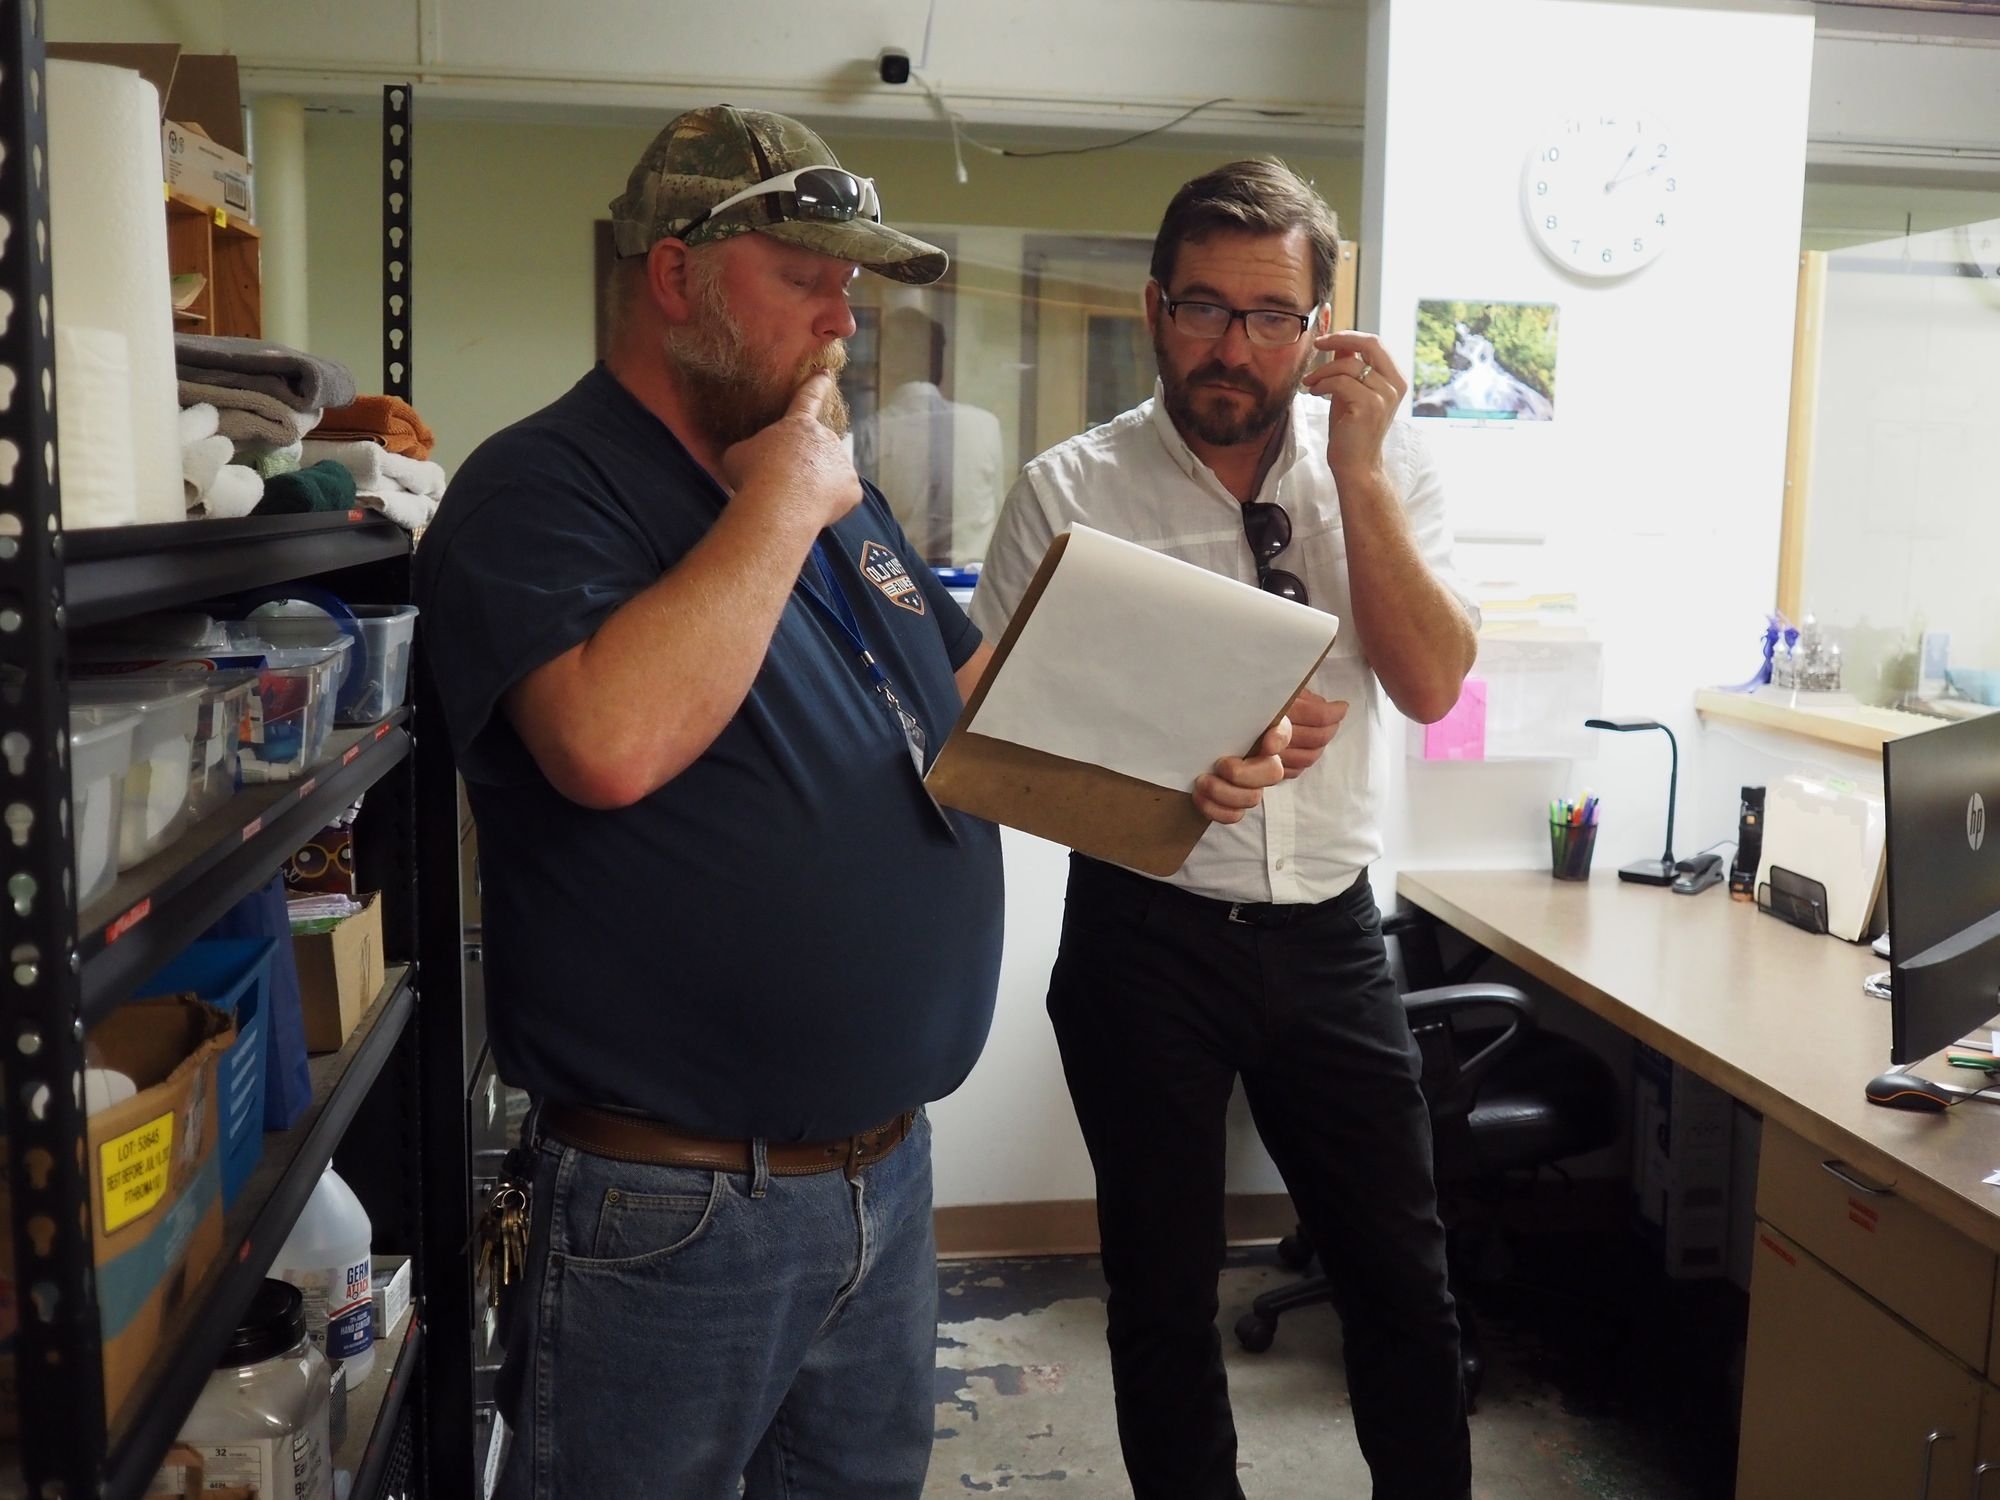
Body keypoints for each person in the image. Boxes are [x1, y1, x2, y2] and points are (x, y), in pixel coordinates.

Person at [415, 107, 1292, 1499]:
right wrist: (786, 503)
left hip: (878, 1182)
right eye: (807, 275)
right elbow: (610, 742)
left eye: (854, 284)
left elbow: (965, 698)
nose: (844, 319)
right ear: (677, 273)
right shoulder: (545, 486)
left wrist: (1184, 732)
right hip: (678, 1206)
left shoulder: (822, 486)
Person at [969, 158, 1481, 1499]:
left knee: (1406, 1288)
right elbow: (999, 761)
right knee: (1159, 1298)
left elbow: (1429, 685)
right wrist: (1169, 775)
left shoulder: (1385, 470)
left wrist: (1359, 474)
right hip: (1146, 939)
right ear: (1153, 307)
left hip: (1331, 938)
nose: (1232, 346)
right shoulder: (1068, 489)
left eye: (1271, 316)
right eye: (1203, 308)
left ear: (1321, 329)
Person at [851, 306, 1005, 566]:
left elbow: (859, 527)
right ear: (940, 362)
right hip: (973, 590)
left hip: (898, 590)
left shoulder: (870, 433)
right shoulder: (985, 425)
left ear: (886, 363)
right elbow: (999, 515)